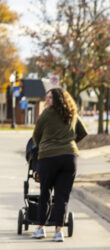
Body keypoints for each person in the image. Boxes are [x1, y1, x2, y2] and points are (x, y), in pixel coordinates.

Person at [31, 87, 87, 242]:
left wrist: (44, 146)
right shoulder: (72, 114)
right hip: (69, 158)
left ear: (57, 99)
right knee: (62, 196)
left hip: (48, 158)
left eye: (49, 98)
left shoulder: (46, 114)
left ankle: (41, 228)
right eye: (47, 97)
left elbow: (36, 135)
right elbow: (83, 132)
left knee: (45, 193)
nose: (47, 100)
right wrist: (68, 144)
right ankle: (58, 232)